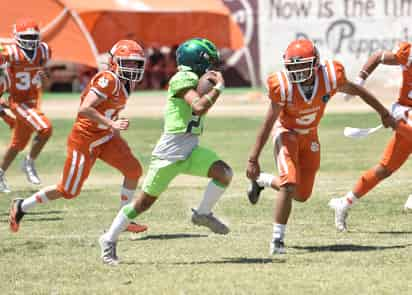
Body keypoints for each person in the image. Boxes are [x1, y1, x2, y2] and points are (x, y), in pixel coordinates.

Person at [246, 39, 396, 254]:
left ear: (315, 63)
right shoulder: (283, 86)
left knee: (301, 194)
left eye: (302, 66)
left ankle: (264, 181)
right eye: (293, 67)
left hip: (310, 137)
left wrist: (384, 113)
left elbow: (359, 91)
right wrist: (253, 158)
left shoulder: (329, 77)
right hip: (286, 134)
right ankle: (277, 241)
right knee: (289, 185)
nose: (297, 72)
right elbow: (268, 122)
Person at [98, 38, 232, 265]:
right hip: (170, 152)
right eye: (207, 61)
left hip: (190, 147)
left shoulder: (194, 78)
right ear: (196, 61)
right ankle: (108, 239)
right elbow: (198, 106)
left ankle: (202, 213)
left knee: (224, 173)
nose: (211, 66)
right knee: (142, 204)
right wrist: (218, 88)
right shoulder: (182, 78)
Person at [9, 40, 148, 234]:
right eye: (128, 62)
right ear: (115, 61)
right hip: (85, 138)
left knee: (133, 171)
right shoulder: (107, 79)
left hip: (105, 137)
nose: (133, 67)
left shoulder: (128, 82)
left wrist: (111, 128)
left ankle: (123, 219)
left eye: (136, 64)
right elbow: (85, 108)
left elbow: (107, 109)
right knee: (68, 191)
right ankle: (22, 205)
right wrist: (112, 124)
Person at [329, 41, 412, 231]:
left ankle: (345, 202)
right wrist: (359, 82)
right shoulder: (408, 53)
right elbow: (378, 57)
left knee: (385, 170)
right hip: (406, 113)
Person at [0, 18, 52, 192]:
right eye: (26, 37)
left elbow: (44, 77)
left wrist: (45, 76)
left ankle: (0, 173)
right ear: (17, 37)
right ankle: (29, 163)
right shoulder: (10, 52)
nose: (30, 41)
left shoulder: (43, 51)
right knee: (45, 128)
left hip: (32, 101)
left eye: (33, 36)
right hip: (19, 102)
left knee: (17, 144)